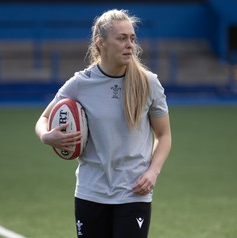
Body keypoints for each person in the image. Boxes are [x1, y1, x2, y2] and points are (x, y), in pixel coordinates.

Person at [35, 9, 172, 238]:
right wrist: (46, 136)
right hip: (91, 192)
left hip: (133, 192)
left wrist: (153, 172)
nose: (130, 44)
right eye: (121, 38)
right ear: (101, 43)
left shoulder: (149, 83)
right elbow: (44, 119)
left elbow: (164, 135)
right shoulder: (80, 83)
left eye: (132, 38)